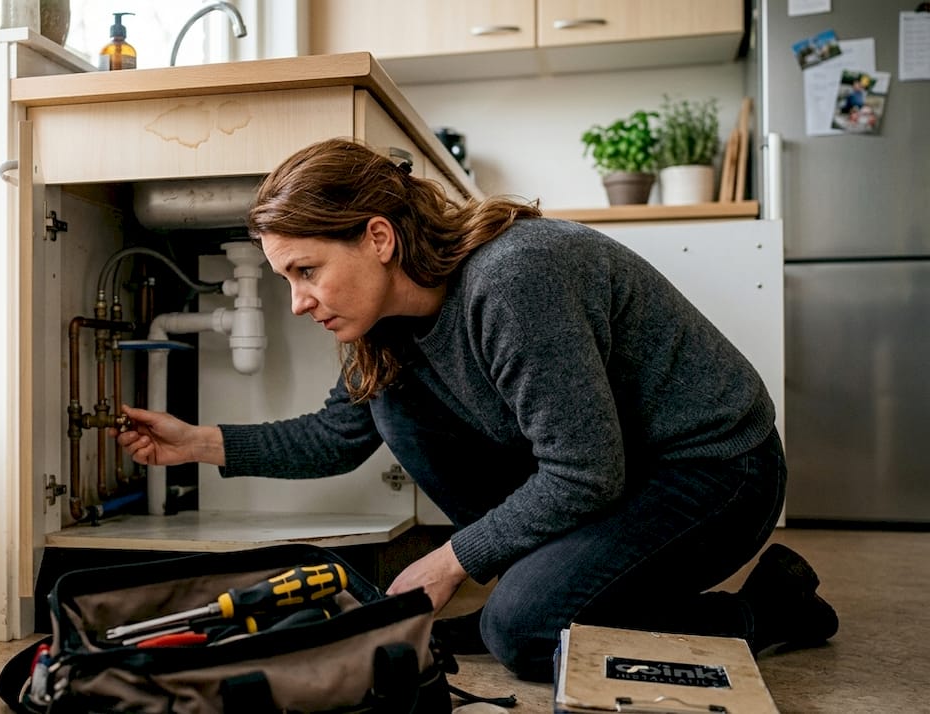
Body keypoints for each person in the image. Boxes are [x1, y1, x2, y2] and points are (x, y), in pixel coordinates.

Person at [113, 138, 838, 681]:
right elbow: (337, 438)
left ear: (377, 237)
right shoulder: (380, 327)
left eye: (307, 271)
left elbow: (585, 472)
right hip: (615, 474)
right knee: (391, 402)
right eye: (286, 279)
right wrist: (195, 442)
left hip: (714, 473)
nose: (299, 301)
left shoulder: (515, 278)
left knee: (526, 635)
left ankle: (769, 608)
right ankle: (525, 602)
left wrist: (451, 559)